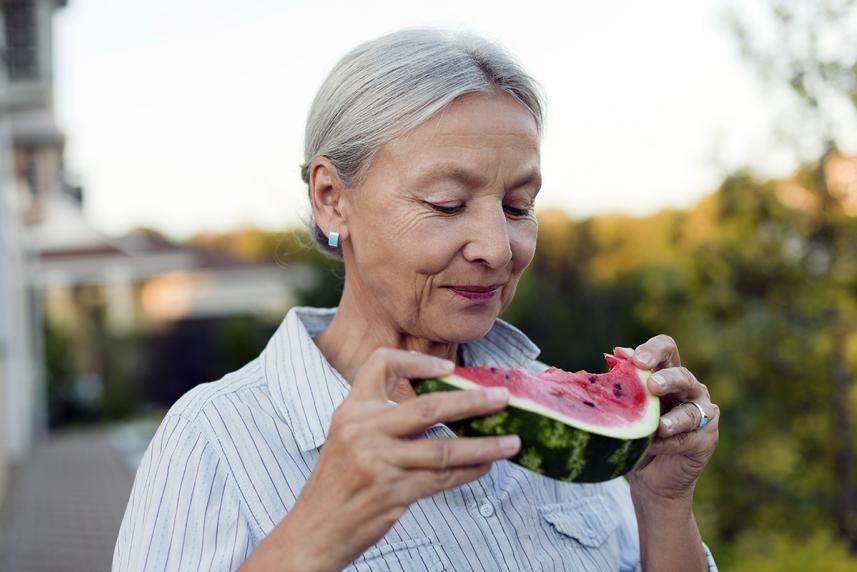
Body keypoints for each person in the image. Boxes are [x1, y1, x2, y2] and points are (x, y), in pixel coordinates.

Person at [113, 28, 720, 571]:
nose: (496, 247)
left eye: (518, 206)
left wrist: (663, 503)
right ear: (332, 199)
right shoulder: (215, 439)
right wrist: (317, 531)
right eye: (447, 204)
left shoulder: (565, 425)